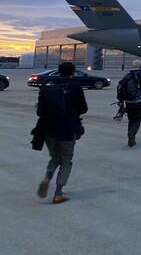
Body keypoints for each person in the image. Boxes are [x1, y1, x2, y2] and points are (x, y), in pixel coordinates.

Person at [36, 61, 87, 204]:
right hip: (67, 129)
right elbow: (83, 109)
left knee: (54, 158)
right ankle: (58, 193)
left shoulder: (49, 85)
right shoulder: (75, 86)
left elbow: (39, 111)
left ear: (59, 72)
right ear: (73, 72)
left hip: (48, 129)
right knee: (66, 160)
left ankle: (47, 178)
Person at [122, 60, 141, 148]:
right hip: (140, 100)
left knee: (131, 119)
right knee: (137, 119)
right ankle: (132, 133)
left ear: (132, 66)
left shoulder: (128, 75)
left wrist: (121, 100)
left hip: (128, 101)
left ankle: (130, 137)